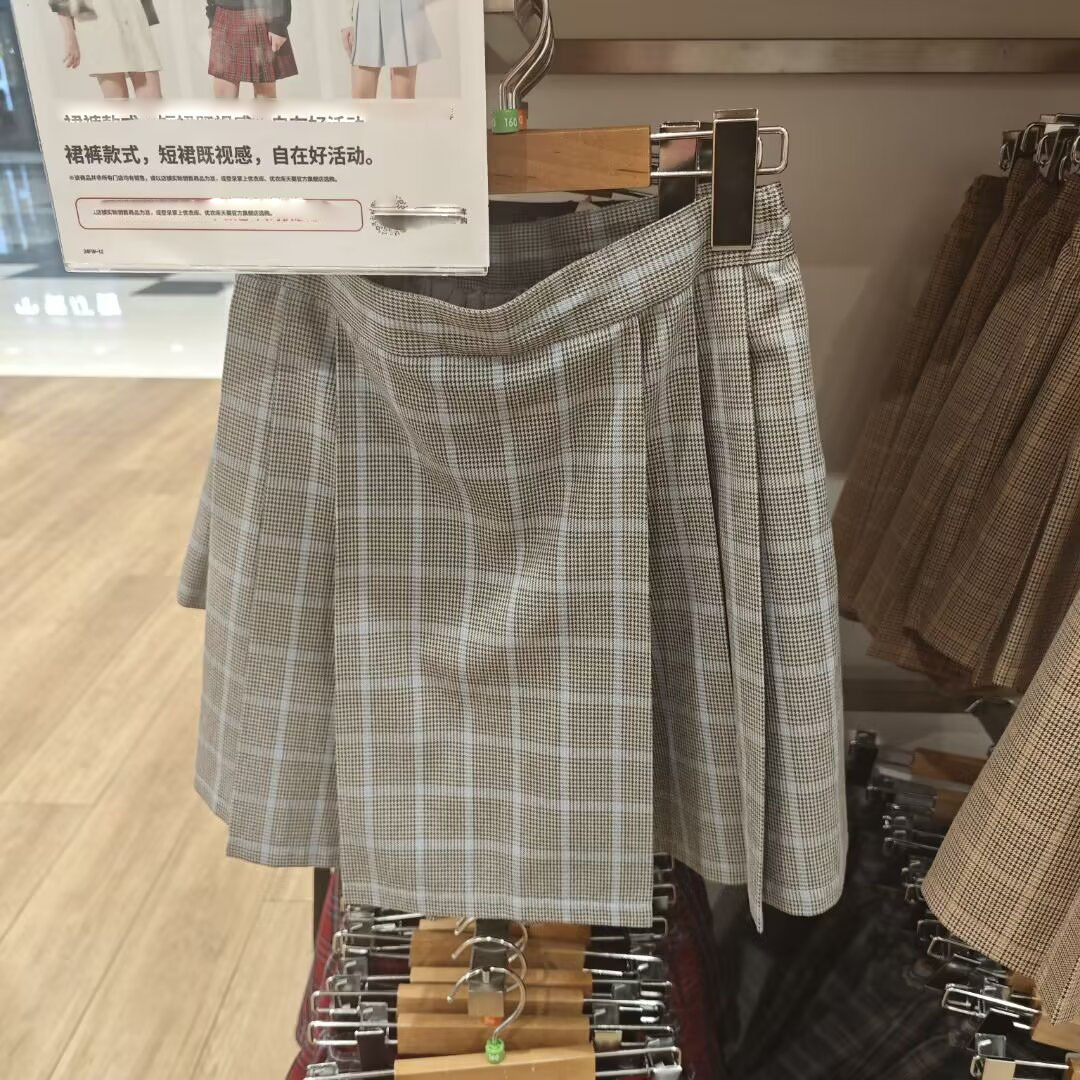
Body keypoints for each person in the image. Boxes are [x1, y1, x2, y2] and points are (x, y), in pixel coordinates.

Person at [52, 0, 163, 100]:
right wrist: (70, 36)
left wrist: (148, 14)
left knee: (152, 100)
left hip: (133, 14)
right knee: (117, 101)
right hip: (97, 19)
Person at [341, 0, 441, 100]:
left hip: (405, 8)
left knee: (403, 101)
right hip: (366, 8)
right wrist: (346, 21)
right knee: (361, 100)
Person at [206, 0, 296, 100]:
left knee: (264, 96)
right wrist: (212, 13)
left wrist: (278, 24)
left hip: (260, 13)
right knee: (223, 95)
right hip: (223, 13)